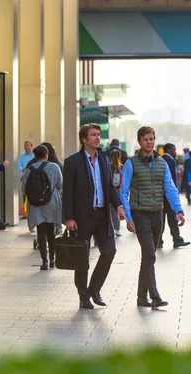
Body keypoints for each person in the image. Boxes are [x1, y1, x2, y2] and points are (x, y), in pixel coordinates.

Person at [120, 126, 186, 309]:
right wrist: (129, 217)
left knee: (148, 256)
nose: (149, 142)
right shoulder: (131, 163)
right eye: (145, 139)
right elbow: (124, 191)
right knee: (149, 253)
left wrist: (178, 210)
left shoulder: (162, 163)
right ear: (139, 141)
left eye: (151, 139)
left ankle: (141, 297)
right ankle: (154, 296)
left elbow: (170, 188)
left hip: (158, 214)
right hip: (140, 213)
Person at [63, 123, 126, 310]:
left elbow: (108, 186)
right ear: (84, 139)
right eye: (93, 135)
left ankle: (94, 289)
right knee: (82, 257)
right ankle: (83, 296)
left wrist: (119, 206)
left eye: (99, 134)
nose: (98, 138)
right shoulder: (72, 161)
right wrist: (69, 217)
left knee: (109, 251)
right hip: (82, 217)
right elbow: (67, 192)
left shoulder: (104, 159)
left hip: (102, 215)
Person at [22, 145, 62, 270]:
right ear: (47, 154)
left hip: (35, 205)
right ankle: (52, 260)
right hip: (51, 203)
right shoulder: (54, 167)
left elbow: (24, 189)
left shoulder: (29, 169)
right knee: (51, 231)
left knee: (41, 232)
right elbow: (60, 185)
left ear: (35, 155)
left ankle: (44, 261)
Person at [158, 143, 191, 249]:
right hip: (168, 195)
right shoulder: (170, 160)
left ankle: (159, 241)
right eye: (173, 149)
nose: (175, 152)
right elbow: (171, 180)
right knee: (173, 218)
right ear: (168, 149)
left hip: (161, 195)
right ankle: (177, 239)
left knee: (161, 219)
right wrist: (175, 192)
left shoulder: (161, 159)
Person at [18, 140, 35, 221]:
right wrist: (23, 168)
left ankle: (32, 212)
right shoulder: (22, 157)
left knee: (33, 195)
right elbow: (19, 167)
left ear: (31, 146)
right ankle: (25, 213)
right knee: (24, 195)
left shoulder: (34, 156)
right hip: (25, 178)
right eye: (25, 145)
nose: (26, 147)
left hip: (32, 178)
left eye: (28, 145)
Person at [110, 149, 124, 237]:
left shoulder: (109, 166)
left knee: (110, 211)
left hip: (111, 190)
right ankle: (117, 229)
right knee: (118, 210)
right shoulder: (121, 167)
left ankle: (111, 228)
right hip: (119, 191)